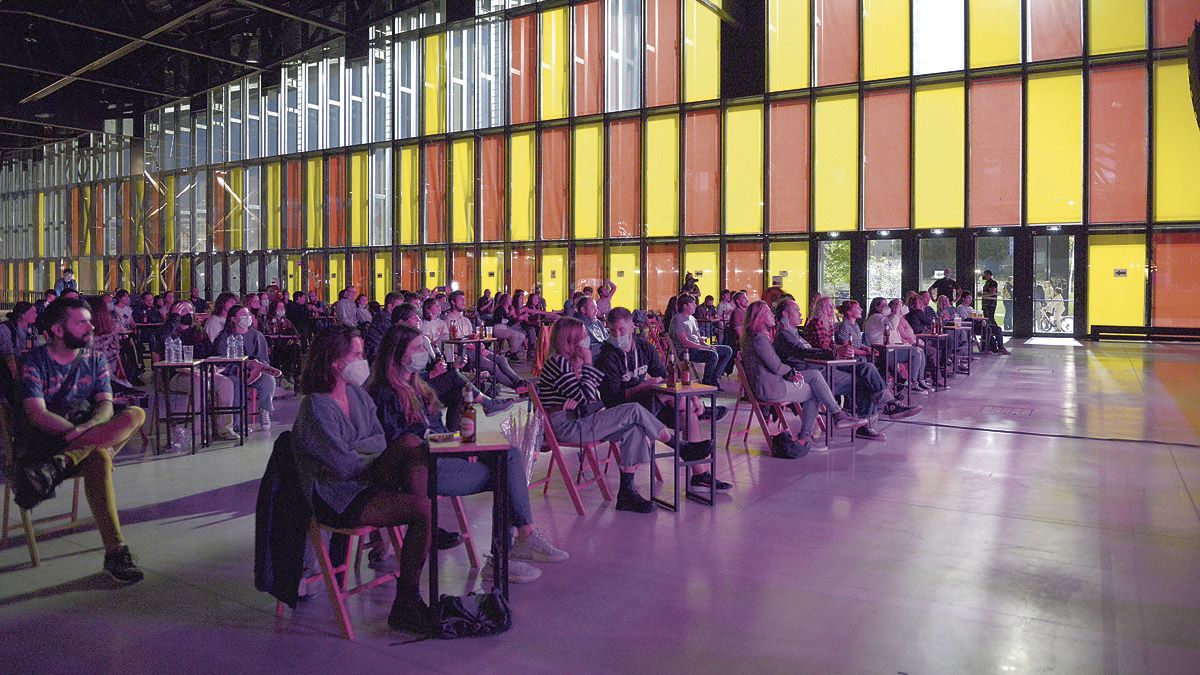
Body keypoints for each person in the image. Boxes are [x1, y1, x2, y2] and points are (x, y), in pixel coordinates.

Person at [368, 324, 561, 583]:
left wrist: (459, 442)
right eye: (416, 349)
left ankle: (525, 534)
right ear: (398, 353)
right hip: (419, 467)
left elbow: (435, 428)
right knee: (505, 473)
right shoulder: (383, 394)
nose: (422, 354)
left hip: (442, 451)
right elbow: (398, 442)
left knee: (510, 454)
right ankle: (506, 553)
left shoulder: (420, 387)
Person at [290, 327, 432, 634]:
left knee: (410, 442)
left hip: (364, 481)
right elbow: (340, 464)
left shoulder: (355, 392)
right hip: (336, 497)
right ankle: (407, 600)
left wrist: (357, 449)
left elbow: (379, 439)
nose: (363, 360)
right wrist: (362, 450)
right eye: (356, 355)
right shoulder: (316, 407)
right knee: (422, 509)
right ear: (335, 362)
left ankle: (409, 597)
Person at [11, 297, 146, 582]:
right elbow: (36, 413)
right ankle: (116, 552)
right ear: (58, 330)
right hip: (44, 445)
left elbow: (106, 405)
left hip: (58, 461)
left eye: (90, 320)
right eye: (81, 322)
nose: (91, 326)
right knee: (99, 454)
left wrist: (90, 425)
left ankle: (64, 462)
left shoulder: (94, 359)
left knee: (135, 414)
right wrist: (77, 431)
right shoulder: (34, 361)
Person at [538, 318, 676, 513]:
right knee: (633, 409)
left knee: (633, 427)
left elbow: (592, 397)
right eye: (583, 336)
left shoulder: (571, 363)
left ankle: (627, 492)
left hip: (580, 419)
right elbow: (586, 396)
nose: (587, 340)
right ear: (571, 340)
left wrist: (581, 390)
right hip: (568, 427)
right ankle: (676, 444)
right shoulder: (558, 363)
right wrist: (587, 364)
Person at [595, 307, 729, 491]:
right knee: (661, 392)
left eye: (622, 330)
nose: (617, 335)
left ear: (632, 326)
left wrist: (692, 396)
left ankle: (699, 475)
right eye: (612, 331)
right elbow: (611, 399)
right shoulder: (606, 357)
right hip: (622, 411)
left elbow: (666, 377)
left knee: (688, 415)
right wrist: (643, 386)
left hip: (647, 405)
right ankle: (704, 413)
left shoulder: (644, 347)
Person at [807, 298, 919, 439]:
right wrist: (844, 349)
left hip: (838, 360)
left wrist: (857, 349)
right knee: (868, 370)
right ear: (821, 309)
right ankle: (886, 408)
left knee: (869, 373)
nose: (832, 310)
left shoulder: (832, 324)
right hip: (827, 363)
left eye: (831, 307)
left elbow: (837, 346)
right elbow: (824, 347)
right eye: (828, 307)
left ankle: (877, 416)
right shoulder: (818, 322)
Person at [392, 303, 515, 425]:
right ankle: (488, 403)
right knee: (454, 376)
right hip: (412, 387)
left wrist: (451, 365)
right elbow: (401, 374)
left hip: (427, 382)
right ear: (402, 322)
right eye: (414, 317)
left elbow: (436, 361)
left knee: (460, 390)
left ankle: (453, 432)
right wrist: (430, 374)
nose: (419, 319)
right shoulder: (398, 344)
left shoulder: (423, 339)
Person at [741, 301, 835, 451]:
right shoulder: (760, 339)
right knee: (815, 391)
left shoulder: (752, 338)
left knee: (815, 375)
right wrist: (792, 372)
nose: (773, 315)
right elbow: (777, 366)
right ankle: (805, 436)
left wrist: (792, 373)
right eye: (769, 312)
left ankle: (836, 412)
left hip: (767, 384)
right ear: (760, 317)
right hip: (771, 389)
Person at [771, 299, 867, 431]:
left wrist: (832, 353)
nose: (800, 314)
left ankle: (809, 434)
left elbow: (811, 350)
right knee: (863, 381)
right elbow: (802, 352)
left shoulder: (794, 334)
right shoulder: (784, 335)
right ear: (785, 314)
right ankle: (861, 423)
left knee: (866, 376)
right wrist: (832, 353)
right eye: (796, 310)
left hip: (816, 370)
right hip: (807, 374)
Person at [442, 291, 524, 390]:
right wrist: (477, 346)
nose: (464, 302)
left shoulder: (466, 320)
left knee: (502, 359)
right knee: (492, 365)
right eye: (461, 300)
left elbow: (472, 336)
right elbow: (457, 341)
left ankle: (519, 381)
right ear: (453, 302)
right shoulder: (449, 319)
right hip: (463, 352)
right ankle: (517, 386)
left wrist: (479, 344)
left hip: (474, 348)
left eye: (464, 299)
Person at [213, 305, 277, 431]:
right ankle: (237, 423)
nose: (248, 318)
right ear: (234, 319)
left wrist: (256, 367)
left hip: (254, 372)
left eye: (248, 315)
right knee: (236, 383)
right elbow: (221, 362)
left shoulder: (257, 335)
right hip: (232, 372)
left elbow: (264, 359)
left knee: (268, 379)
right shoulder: (224, 338)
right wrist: (236, 370)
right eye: (243, 315)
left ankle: (264, 409)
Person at [863, 297, 930, 394]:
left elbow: (891, 323)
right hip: (881, 351)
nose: (887, 307)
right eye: (884, 306)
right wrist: (897, 309)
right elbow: (892, 325)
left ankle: (919, 380)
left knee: (918, 350)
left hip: (886, 349)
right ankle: (912, 383)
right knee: (915, 352)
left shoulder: (880, 317)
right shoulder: (876, 317)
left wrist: (895, 312)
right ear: (876, 307)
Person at [670, 294, 732, 387]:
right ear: (685, 305)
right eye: (693, 303)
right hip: (686, 351)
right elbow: (685, 342)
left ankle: (714, 378)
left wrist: (707, 346)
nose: (695, 305)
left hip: (697, 347)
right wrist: (704, 347)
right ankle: (706, 383)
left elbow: (698, 337)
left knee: (727, 350)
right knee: (712, 355)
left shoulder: (692, 318)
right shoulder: (678, 319)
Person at [0, 301, 36, 400]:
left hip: (25, 370)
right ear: (22, 315)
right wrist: (15, 375)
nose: (36, 315)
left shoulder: (32, 329)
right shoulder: (6, 328)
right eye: (33, 312)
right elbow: (8, 354)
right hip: (7, 373)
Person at [263, 299, 302, 384]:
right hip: (275, 346)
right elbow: (268, 334)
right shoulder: (268, 321)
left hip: (288, 346)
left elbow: (296, 334)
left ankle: (292, 374)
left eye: (283, 307)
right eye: (279, 308)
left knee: (295, 350)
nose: (281, 309)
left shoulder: (287, 322)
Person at [363, 292, 404, 363]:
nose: (401, 310)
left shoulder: (388, 317)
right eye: (398, 307)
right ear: (390, 306)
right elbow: (395, 338)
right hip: (377, 357)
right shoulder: (383, 318)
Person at [490, 292, 527, 358]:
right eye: (509, 298)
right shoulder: (500, 308)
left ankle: (512, 351)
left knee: (522, 335)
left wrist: (518, 318)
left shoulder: (510, 309)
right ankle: (513, 353)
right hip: (498, 328)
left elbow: (510, 323)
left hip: (506, 328)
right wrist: (510, 315)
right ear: (505, 300)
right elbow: (500, 320)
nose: (511, 299)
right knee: (514, 335)